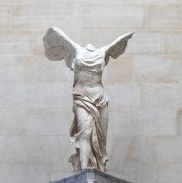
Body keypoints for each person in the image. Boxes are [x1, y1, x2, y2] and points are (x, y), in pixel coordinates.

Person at [42, 27, 133, 171]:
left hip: (100, 97)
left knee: (101, 136)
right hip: (82, 96)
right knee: (85, 132)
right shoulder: (77, 50)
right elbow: (56, 33)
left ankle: (99, 166)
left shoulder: (103, 52)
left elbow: (118, 44)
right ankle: (85, 170)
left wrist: (125, 38)